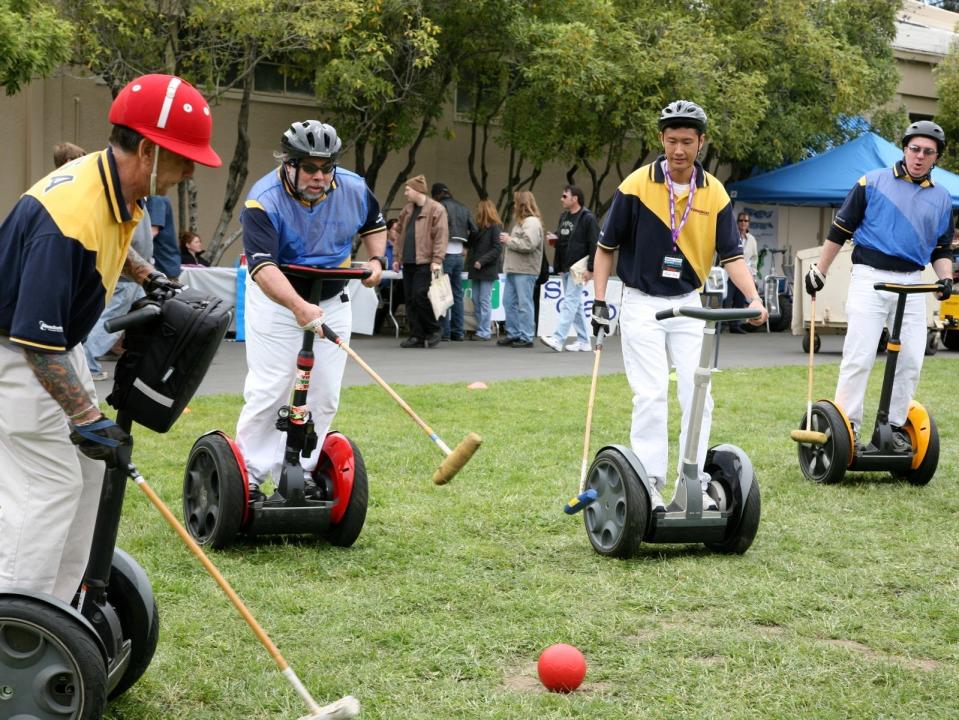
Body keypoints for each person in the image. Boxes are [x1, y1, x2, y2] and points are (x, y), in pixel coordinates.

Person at [0, 73, 220, 602]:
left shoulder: (118, 188)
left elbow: (109, 248)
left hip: (57, 349)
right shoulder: (70, 215)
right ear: (147, 149)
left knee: (90, 475)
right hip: (19, 354)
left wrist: (147, 275)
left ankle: (59, 613)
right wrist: (87, 418)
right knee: (47, 487)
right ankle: (16, 636)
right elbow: (37, 343)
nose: (190, 170)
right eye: (182, 157)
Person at [590, 100, 767, 513]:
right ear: (661, 140)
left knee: (698, 393)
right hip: (640, 303)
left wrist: (754, 298)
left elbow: (732, 256)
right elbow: (605, 249)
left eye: (688, 142)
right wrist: (600, 302)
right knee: (650, 394)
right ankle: (649, 483)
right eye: (672, 141)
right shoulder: (635, 185)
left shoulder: (715, 192)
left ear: (701, 142)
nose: (679, 150)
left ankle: (696, 482)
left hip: (689, 304)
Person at [236, 119, 386, 498]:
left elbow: (374, 225)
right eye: (309, 168)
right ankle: (250, 476)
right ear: (289, 164)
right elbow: (262, 268)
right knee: (271, 387)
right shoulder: (262, 199)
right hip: (277, 300)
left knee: (324, 391)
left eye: (326, 168)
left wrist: (377, 261)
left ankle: (303, 470)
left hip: (333, 299)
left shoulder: (353, 187)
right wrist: (298, 306)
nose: (319, 176)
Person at [804, 120, 954, 451]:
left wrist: (944, 277)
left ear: (936, 158)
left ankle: (895, 428)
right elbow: (840, 230)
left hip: (914, 283)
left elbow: (941, 249)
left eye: (928, 152)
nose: (919, 156)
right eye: (914, 149)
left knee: (912, 358)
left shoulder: (942, 199)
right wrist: (820, 270)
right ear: (904, 149)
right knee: (860, 356)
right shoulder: (871, 183)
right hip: (870, 277)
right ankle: (848, 429)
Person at [390, 174, 449, 348]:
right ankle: (417, 335)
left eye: (407, 189)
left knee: (420, 296)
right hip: (408, 261)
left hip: (425, 261)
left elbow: (441, 235)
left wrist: (437, 259)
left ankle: (433, 329)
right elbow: (399, 233)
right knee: (410, 299)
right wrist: (396, 257)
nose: (405, 193)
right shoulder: (408, 209)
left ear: (417, 190)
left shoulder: (436, 209)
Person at [539, 185, 599, 352]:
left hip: (579, 267)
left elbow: (594, 244)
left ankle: (558, 339)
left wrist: (591, 268)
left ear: (575, 199)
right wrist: (556, 240)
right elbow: (565, 240)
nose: (561, 198)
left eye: (564, 196)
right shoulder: (564, 216)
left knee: (570, 302)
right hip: (565, 266)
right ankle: (584, 341)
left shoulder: (587, 218)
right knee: (575, 304)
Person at [496, 190, 544, 348]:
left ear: (522, 204)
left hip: (525, 270)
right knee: (509, 302)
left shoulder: (531, 222)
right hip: (515, 269)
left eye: (516, 203)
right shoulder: (522, 222)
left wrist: (509, 240)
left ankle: (526, 336)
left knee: (524, 304)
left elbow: (530, 244)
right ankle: (514, 333)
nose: (514, 205)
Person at [432, 182, 478, 341]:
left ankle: (444, 332)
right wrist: (466, 246)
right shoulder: (463, 208)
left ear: (437, 194)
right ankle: (457, 332)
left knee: (442, 293)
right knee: (457, 294)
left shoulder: (440, 207)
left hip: (443, 255)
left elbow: (436, 230)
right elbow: (475, 230)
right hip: (459, 255)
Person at [466, 199, 503, 341]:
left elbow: (497, 248)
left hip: (486, 268)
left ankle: (484, 330)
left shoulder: (495, 228)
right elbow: (470, 243)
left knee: (483, 300)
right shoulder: (479, 229)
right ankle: (482, 328)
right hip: (478, 268)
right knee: (476, 299)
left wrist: (482, 261)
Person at [725, 211, 759, 333]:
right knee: (727, 300)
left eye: (746, 221)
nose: (743, 223)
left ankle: (735, 325)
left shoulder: (752, 240)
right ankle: (723, 324)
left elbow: (755, 258)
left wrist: (753, 273)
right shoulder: (731, 236)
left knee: (739, 301)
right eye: (741, 220)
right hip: (729, 273)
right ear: (737, 222)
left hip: (744, 275)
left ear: (749, 223)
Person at [147, 193, 180, 280]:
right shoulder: (154, 199)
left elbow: (152, 232)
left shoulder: (156, 199)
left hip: (162, 266)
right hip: (164, 264)